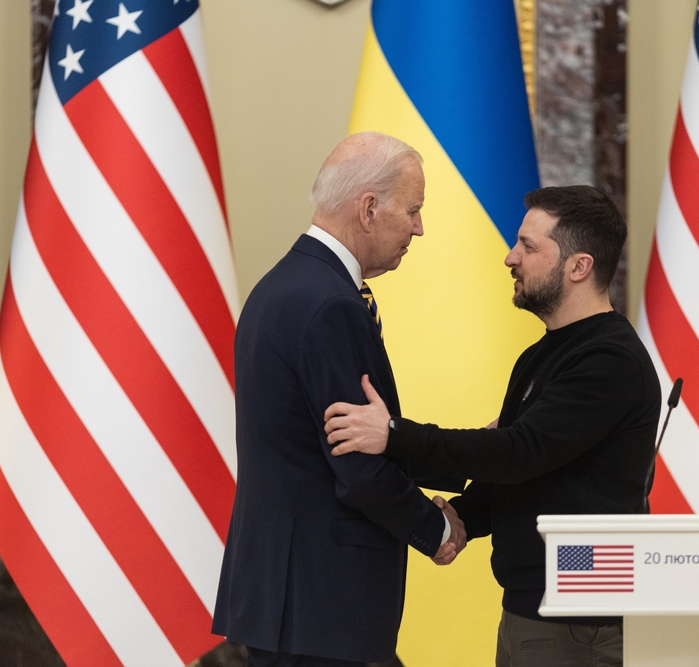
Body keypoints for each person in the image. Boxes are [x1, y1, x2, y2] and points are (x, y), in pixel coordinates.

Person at [323, 185, 661, 667]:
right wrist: (454, 523)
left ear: (578, 267)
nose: (509, 257)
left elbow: (518, 453)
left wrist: (394, 436)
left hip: (577, 620)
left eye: (528, 246)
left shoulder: (609, 360)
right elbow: (516, 472)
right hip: (535, 611)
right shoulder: (541, 355)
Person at [212, 132, 466, 667]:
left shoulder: (281, 285)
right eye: (413, 210)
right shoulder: (332, 306)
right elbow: (357, 463)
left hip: (290, 597)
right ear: (369, 209)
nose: (419, 227)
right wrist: (435, 527)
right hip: (321, 603)